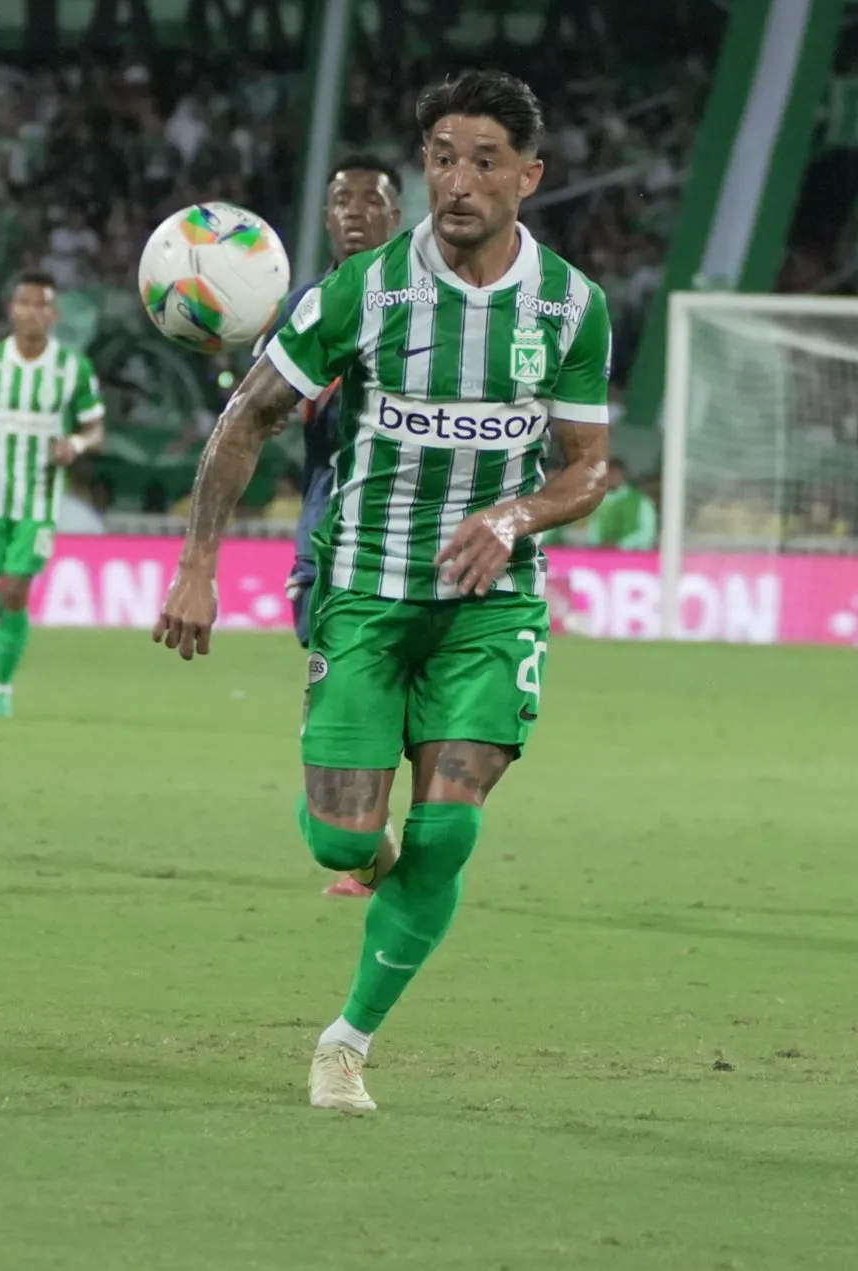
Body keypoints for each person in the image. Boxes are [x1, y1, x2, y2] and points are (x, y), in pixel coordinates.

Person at [152, 70, 614, 1112]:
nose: (458, 181)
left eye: (483, 161)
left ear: (527, 177)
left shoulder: (572, 306)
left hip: (489, 604)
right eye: (443, 158)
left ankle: (345, 1040)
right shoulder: (360, 293)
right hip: (360, 589)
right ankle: (377, 865)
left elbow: (586, 466)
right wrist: (196, 564)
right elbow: (247, 418)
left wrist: (510, 518)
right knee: (342, 839)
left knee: (449, 828)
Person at [253, 153, 405, 900]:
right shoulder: (305, 306)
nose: (354, 212)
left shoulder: (426, 301)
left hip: (406, 532)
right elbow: (263, 409)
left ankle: (362, 836)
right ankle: (356, 826)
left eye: (370, 200)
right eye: (340, 201)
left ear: (396, 215)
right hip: (323, 534)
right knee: (337, 675)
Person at [0, 272, 106, 717]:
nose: (32, 311)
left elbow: (95, 430)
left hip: (39, 502)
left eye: (42, 304)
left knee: (16, 589)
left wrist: (73, 444)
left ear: (54, 316)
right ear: (11, 310)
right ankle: (11, 629)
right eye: (24, 302)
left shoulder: (73, 368)